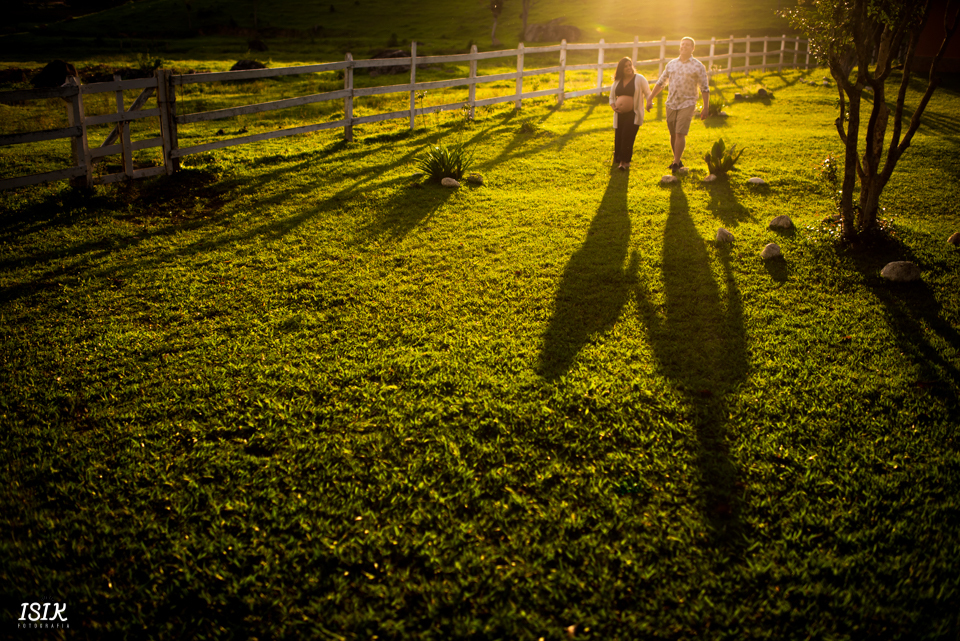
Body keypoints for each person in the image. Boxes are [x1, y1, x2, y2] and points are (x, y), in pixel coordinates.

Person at [646, 37, 710, 172]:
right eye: (682, 44)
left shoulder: (698, 66)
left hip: (687, 103)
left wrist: (706, 107)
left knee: (680, 133)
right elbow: (661, 82)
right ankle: (678, 160)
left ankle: (675, 163)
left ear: (693, 49)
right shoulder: (672, 64)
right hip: (671, 103)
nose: (684, 47)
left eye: (687, 45)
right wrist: (650, 98)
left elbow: (704, 88)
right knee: (673, 134)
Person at [609, 57, 651, 171]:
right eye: (625, 66)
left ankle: (624, 162)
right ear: (621, 69)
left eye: (630, 65)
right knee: (619, 136)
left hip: (634, 113)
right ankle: (619, 159)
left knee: (627, 135)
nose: (628, 68)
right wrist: (614, 107)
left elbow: (648, 92)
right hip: (619, 114)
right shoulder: (617, 81)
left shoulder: (639, 79)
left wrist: (649, 102)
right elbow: (611, 98)